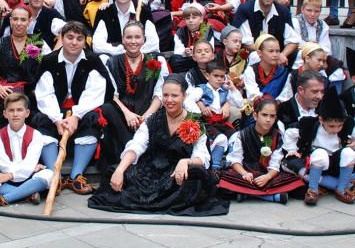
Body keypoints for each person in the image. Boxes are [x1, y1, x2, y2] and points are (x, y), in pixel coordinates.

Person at [89, 75, 228, 216]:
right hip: (151, 170)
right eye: (165, 95)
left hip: (178, 172)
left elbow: (201, 156)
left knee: (195, 177)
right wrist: (119, 170)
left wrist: (186, 161)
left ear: (184, 96)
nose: (169, 100)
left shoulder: (195, 121)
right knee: (115, 172)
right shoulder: (153, 119)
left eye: (174, 95)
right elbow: (137, 146)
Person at [33, 21, 112, 194]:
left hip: (81, 109)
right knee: (41, 119)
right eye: (69, 37)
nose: (74, 42)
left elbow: (95, 92)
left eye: (79, 38)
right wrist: (56, 119)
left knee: (93, 118)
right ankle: (55, 176)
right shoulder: (49, 60)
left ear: (85, 41)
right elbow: (45, 93)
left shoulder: (92, 60)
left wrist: (76, 115)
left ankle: (76, 175)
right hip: (55, 109)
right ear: (61, 38)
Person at [283, 85, 355, 206]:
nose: (336, 129)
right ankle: (313, 190)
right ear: (321, 120)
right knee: (320, 154)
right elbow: (289, 133)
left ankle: (341, 189)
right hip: (315, 165)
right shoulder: (309, 124)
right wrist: (291, 149)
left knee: (349, 153)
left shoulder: (348, 125)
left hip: (337, 164)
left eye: (339, 126)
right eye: (331, 126)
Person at [100, 22, 168, 166]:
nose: (133, 41)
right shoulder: (111, 62)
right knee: (107, 108)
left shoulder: (156, 60)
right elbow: (111, 92)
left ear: (144, 39)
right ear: (123, 39)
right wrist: (127, 113)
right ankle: (129, 153)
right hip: (122, 114)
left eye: (137, 37)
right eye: (129, 37)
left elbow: (160, 93)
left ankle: (136, 155)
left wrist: (148, 115)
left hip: (148, 111)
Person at [0, 5, 51, 126]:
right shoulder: (0, 44)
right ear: (10, 21)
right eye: (15, 19)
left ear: (29, 21)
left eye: (23, 19)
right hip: (5, 93)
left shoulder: (39, 43)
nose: (19, 23)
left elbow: (50, 67)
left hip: (32, 93)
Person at [219, 98, 305, 203]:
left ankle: (245, 195)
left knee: (295, 182)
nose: (268, 119)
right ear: (255, 115)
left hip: (268, 174)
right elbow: (235, 160)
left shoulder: (278, 136)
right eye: (264, 115)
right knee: (225, 180)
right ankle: (272, 197)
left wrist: (268, 177)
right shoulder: (243, 135)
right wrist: (244, 173)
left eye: (272, 116)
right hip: (247, 174)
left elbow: (275, 164)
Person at [0, 93, 58, 207]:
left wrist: (14, 174)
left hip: (28, 176)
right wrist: (14, 174)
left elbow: (29, 164)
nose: (15, 114)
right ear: (5, 114)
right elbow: (4, 165)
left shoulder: (36, 135)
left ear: (27, 113)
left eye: (19, 110)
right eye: (11, 110)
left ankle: (5, 198)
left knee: (48, 174)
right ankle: (28, 194)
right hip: (6, 177)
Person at [186, 60, 244, 172]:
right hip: (206, 123)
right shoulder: (201, 89)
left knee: (236, 136)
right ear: (207, 76)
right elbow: (188, 101)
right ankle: (215, 166)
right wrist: (201, 109)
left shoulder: (224, 91)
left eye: (222, 76)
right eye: (216, 76)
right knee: (221, 138)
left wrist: (232, 88)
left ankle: (230, 163)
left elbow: (239, 104)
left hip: (221, 123)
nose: (219, 79)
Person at [92, 0, 159, 59]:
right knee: (103, 58)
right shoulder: (104, 12)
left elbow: (154, 43)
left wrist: (134, 51)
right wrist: (120, 51)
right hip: (114, 58)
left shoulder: (144, 13)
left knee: (160, 59)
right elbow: (97, 44)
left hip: (140, 57)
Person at [234, 0, 300, 63]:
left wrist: (282, 54)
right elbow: (247, 43)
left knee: (299, 55)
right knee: (255, 56)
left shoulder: (283, 12)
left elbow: (293, 40)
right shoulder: (245, 9)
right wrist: (269, 55)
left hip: (277, 56)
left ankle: (291, 76)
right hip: (253, 54)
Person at [241, 34, 293, 104]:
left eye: (277, 51)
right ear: (259, 53)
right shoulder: (251, 71)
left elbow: (285, 98)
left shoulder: (284, 73)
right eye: (271, 51)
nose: (275, 55)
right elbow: (253, 96)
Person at [170, 3, 215, 72]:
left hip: (202, 56)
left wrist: (197, 51)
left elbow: (211, 48)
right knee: (174, 59)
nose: (190, 20)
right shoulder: (181, 31)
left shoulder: (207, 30)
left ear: (201, 19)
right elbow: (178, 51)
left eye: (194, 17)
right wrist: (185, 52)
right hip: (187, 58)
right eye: (187, 18)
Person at [292, 0, 331, 67]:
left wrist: (313, 48)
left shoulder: (323, 25)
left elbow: (327, 48)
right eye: (309, 10)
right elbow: (296, 44)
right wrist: (312, 46)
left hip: (319, 61)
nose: (312, 14)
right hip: (299, 60)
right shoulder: (296, 22)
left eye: (316, 11)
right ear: (302, 9)